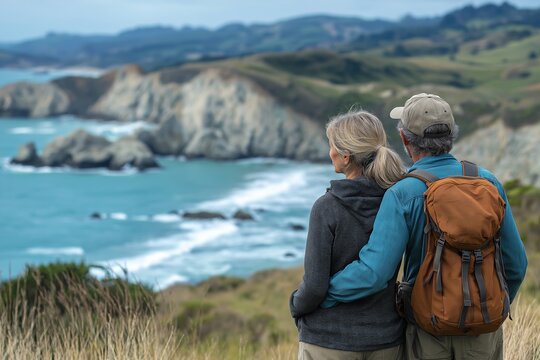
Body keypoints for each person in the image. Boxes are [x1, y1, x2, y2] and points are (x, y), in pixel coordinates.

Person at [321, 93, 528, 360]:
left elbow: (374, 273)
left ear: (406, 140)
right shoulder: (488, 182)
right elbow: (516, 264)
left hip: (427, 330)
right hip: (483, 332)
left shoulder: (403, 192)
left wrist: (323, 293)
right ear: (451, 135)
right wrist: (487, 305)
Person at [289, 110, 406, 360]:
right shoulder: (398, 199)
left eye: (331, 145)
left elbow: (314, 287)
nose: (328, 152)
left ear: (345, 155)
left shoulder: (327, 207)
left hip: (328, 340)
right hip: (387, 339)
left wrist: (295, 305)